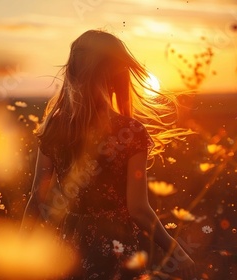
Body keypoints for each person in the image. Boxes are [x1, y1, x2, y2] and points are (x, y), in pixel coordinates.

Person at [21, 29, 195, 279]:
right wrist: (176, 250)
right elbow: (138, 210)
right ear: (115, 72)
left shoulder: (54, 127)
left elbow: (37, 199)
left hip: (68, 247)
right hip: (115, 247)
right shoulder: (131, 132)